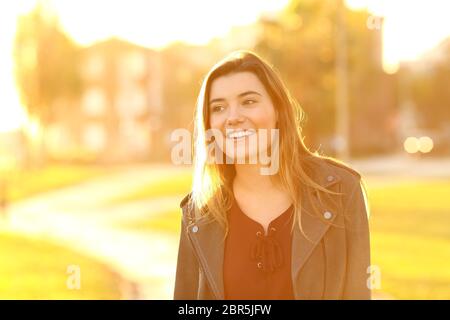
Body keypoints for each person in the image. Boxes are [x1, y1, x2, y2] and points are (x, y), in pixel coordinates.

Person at [174, 50, 371, 300]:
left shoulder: (340, 190)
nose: (233, 118)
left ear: (278, 109)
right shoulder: (198, 213)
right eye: (219, 107)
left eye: (248, 101)